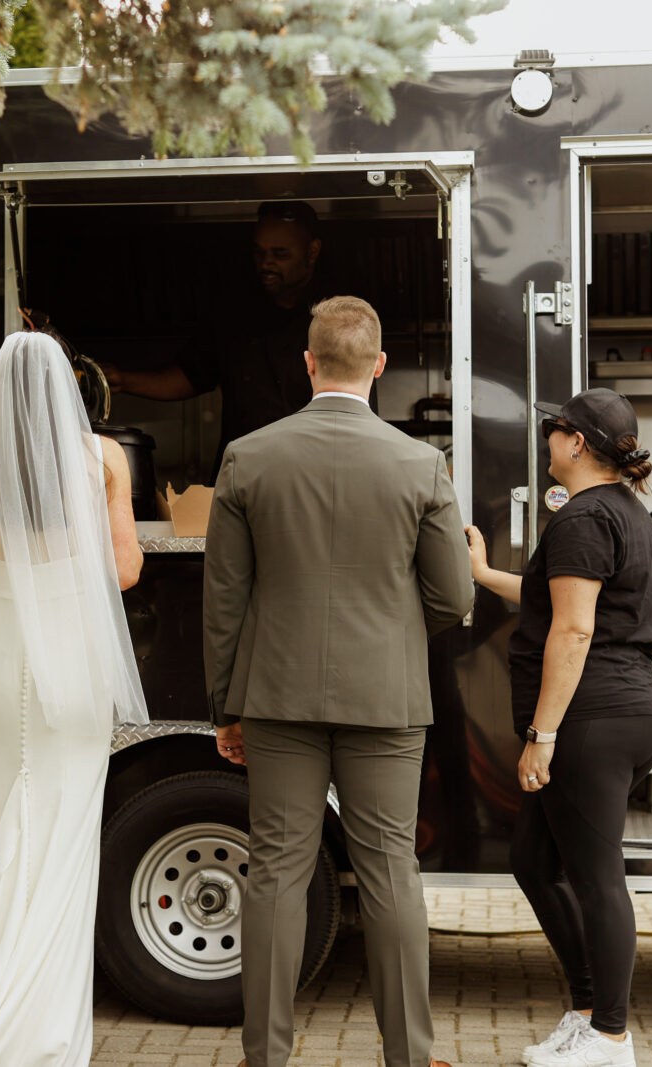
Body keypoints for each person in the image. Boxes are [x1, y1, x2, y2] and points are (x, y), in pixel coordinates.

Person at [205, 296, 473, 1067]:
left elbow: (225, 597)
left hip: (277, 693)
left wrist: (228, 704)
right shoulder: (421, 463)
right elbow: (453, 598)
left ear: (309, 363)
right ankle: (407, 1057)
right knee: (391, 864)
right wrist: (392, 631)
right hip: (387, 694)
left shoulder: (248, 457)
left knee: (278, 865)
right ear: (380, 366)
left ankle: (266, 1056)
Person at [0, 331, 149, 1065]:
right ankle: (44, 1023)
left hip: (3, 648)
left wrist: (8, 548)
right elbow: (128, 568)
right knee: (65, 834)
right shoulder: (104, 458)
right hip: (72, 653)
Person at [464, 388, 652, 1067]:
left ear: (577, 442)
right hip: (622, 711)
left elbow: (575, 629)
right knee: (535, 860)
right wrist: (487, 573)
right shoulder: (622, 513)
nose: (547, 436)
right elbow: (562, 596)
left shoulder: (583, 516)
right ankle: (586, 1012)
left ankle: (611, 1035)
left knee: (597, 875)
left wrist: (542, 734)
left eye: (555, 428)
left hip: (592, 718)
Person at [103, 200, 330, 477]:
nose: (266, 263)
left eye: (280, 254)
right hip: (242, 476)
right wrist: (122, 379)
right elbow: (190, 376)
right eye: (259, 253)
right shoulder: (234, 312)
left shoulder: (335, 318)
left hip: (309, 475)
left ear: (312, 251)